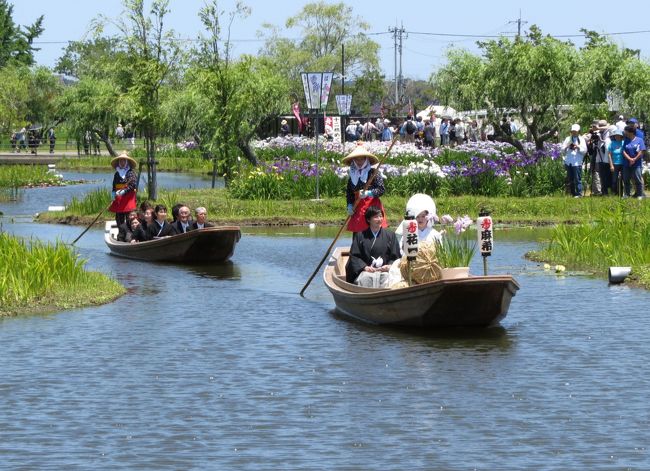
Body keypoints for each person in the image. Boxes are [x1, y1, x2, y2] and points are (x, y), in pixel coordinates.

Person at [345, 205, 401, 288]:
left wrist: (389, 266)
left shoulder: (390, 235)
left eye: (381, 216)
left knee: (388, 280)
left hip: (385, 271)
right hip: (365, 272)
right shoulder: (360, 236)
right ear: (368, 219)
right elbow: (354, 256)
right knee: (365, 279)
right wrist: (364, 267)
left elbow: (395, 256)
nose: (379, 219)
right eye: (376, 217)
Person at [344, 143, 387, 232]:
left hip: (372, 207)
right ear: (353, 161)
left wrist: (369, 193)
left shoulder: (373, 173)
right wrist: (349, 205)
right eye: (357, 159)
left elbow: (381, 189)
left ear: (366, 159)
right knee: (358, 235)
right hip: (358, 208)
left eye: (362, 159)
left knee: (374, 234)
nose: (359, 162)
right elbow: (349, 193)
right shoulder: (352, 175)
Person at [108, 152, 138, 226]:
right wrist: (113, 196)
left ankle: (130, 234)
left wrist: (124, 191)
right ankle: (121, 233)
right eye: (121, 160)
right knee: (119, 219)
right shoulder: (117, 174)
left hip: (128, 199)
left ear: (127, 162)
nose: (122, 162)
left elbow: (133, 185)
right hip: (119, 200)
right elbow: (114, 187)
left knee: (129, 218)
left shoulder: (131, 173)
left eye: (124, 160)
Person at [562, 124, 587, 197]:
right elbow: (562, 150)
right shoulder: (567, 139)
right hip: (569, 161)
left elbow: (585, 151)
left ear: (578, 131)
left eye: (575, 131)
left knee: (577, 179)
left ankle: (579, 194)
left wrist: (577, 147)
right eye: (573, 131)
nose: (574, 133)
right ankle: (573, 193)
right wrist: (567, 146)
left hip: (577, 162)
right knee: (570, 179)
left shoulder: (581, 139)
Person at [622, 125, 646, 199]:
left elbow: (642, 151)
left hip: (637, 164)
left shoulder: (639, 140)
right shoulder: (626, 140)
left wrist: (634, 159)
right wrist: (629, 159)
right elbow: (623, 151)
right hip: (626, 163)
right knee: (626, 180)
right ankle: (627, 194)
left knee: (638, 180)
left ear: (630, 132)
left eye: (626, 131)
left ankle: (640, 195)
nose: (624, 132)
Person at [608, 128, 625, 196]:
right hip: (615, 163)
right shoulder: (612, 143)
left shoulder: (624, 142)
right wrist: (611, 165)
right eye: (616, 135)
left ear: (621, 136)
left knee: (624, 179)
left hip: (623, 164)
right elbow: (609, 155)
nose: (617, 137)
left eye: (619, 135)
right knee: (614, 180)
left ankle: (623, 193)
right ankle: (614, 194)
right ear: (614, 136)